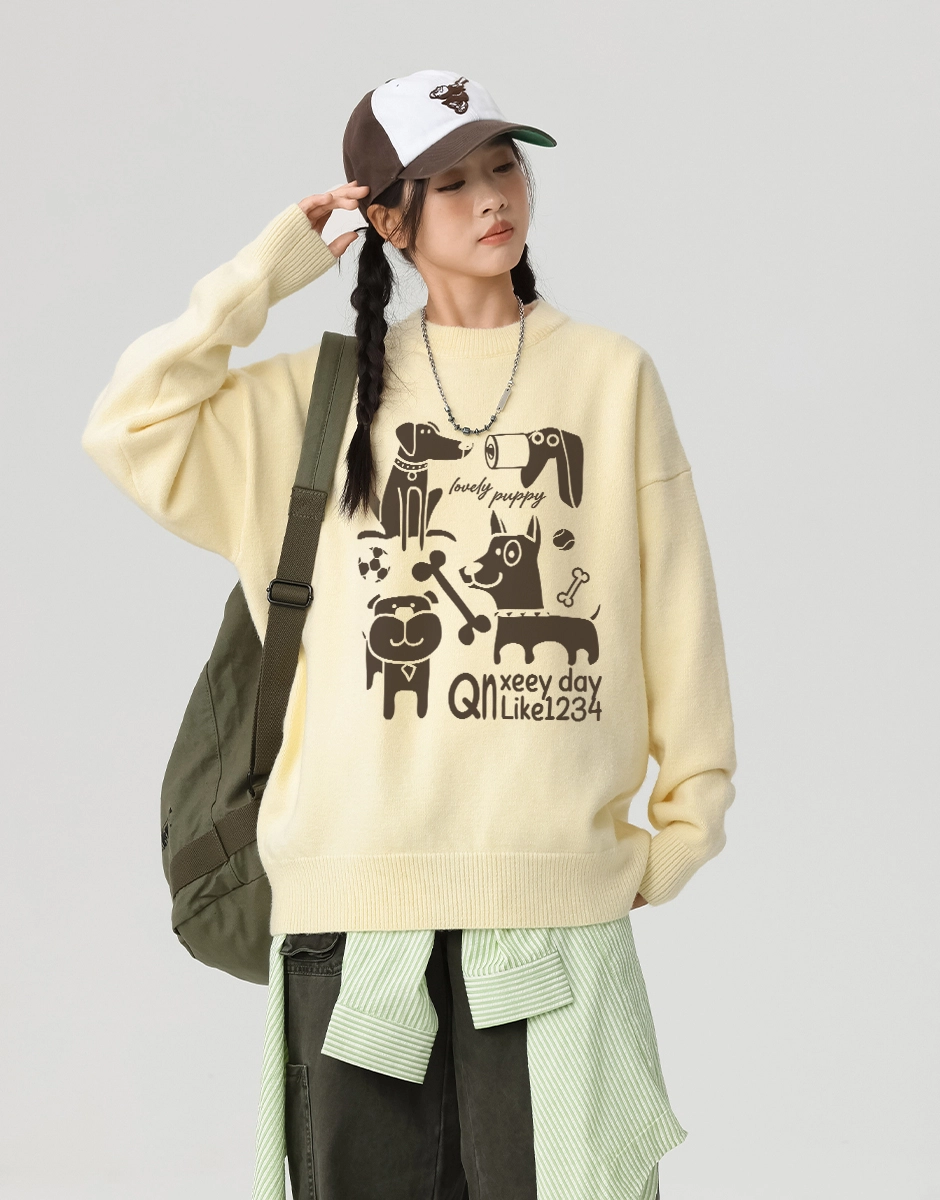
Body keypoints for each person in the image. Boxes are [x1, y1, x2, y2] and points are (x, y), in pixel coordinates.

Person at [83, 69, 736, 1200]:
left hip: (551, 911)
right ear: (389, 220)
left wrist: (688, 823)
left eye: (503, 166)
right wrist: (271, 267)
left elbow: (676, 605)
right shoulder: (316, 400)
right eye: (452, 183)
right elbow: (129, 423)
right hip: (352, 919)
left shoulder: (610, 378)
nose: (494, 197)